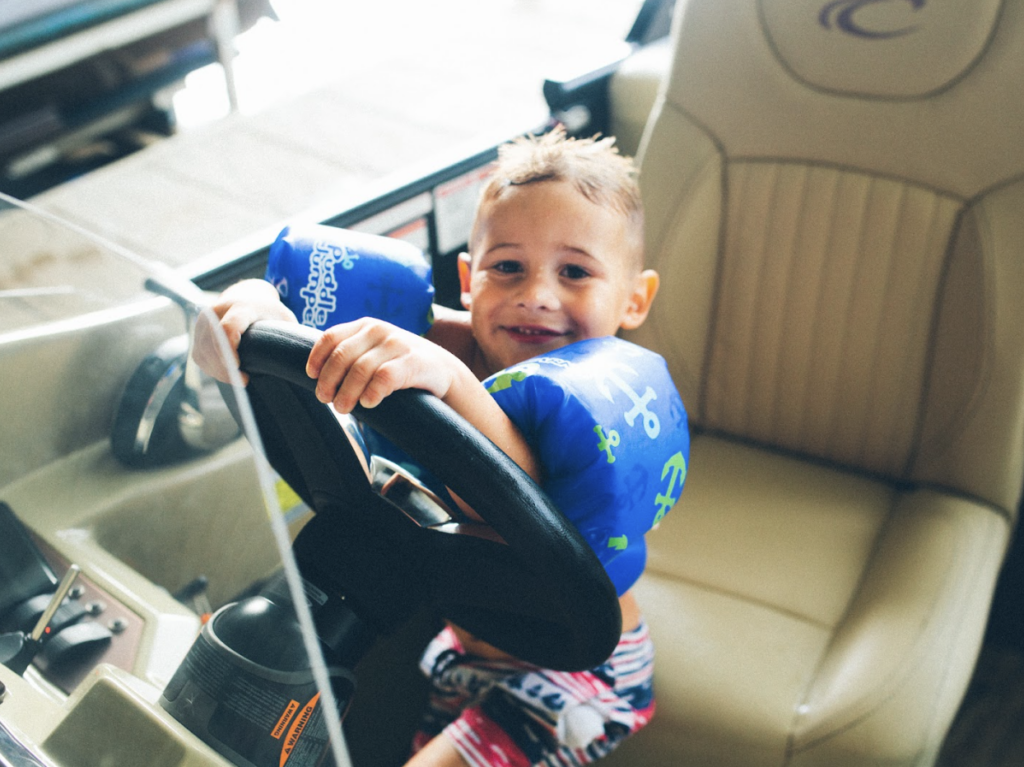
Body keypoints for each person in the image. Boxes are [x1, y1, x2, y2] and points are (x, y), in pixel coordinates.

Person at [195, 128, 668, 766]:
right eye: (508, 267)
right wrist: (248, 310)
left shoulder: (602, 400)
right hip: (464, 643)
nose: (536, 294)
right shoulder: (432, 341)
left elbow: (512, 486)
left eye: (575, 272)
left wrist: (447, 380)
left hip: (575, 672)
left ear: (634, 298)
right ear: (470, 280)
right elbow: (294, 324)